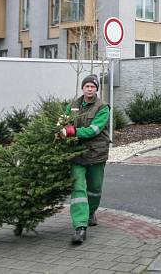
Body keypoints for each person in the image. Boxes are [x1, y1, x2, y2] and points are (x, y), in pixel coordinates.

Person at [60, 74, 111, 244]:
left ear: (96, 89)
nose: (89, 89)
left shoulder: (102, 107)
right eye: (87, 86)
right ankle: (80, 227)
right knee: (79, 189)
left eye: (92, 87)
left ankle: (91, 213)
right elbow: (64, 122)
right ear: (82, 88)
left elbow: (94, 130)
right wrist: (61, 128)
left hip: (96, 153)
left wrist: (73, 131)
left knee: (94, 188)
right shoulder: (73, 105)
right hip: (77, 154)